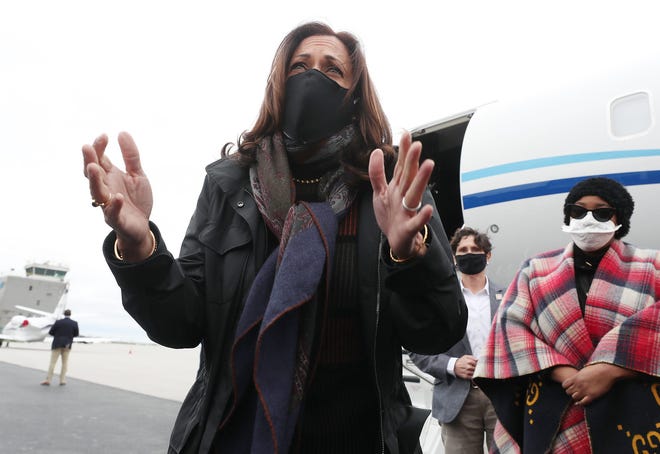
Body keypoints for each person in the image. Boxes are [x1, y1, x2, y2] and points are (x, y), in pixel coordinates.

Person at [82, 22, 467, 454]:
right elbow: (182, 324)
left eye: (332, 70)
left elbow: (437, 332)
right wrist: (141, 251)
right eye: (298, 66)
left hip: (355, 438)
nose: (312, 77)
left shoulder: (388, 186)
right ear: (279, 84)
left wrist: (410, 260)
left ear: (355, 93)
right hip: (236, 434)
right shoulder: (230, 184)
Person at [474, 177, 660, 453]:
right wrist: (567, 375)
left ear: (618, 217)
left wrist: (609, 371)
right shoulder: (535, 270)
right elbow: (510, 331)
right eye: (579, 210)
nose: (588, 218)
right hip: (556, 410)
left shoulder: (652, 266)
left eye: (601, 212)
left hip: (630, 416)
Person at [409, 227, 504, 453]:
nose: (469, 253)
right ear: (454, 257)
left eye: (475, 249)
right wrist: (452, 365)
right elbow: (416, 349)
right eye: (463, 250)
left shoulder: (508, 295)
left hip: (501, 398)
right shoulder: (439, 301)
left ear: (487, 256)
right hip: (458, 401)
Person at [40, 309, 79, 386]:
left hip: (57, 343)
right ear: (70, 314)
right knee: (64, 363)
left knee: (53, 363)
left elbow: (51, 332)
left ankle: (48, 380)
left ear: (64, 314)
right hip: (67, 344)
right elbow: (76, 334)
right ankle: (62, 380)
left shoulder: (58, 322)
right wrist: (68, 337)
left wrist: (58, 335)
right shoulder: (74, 323)